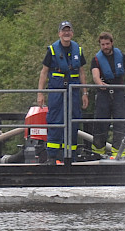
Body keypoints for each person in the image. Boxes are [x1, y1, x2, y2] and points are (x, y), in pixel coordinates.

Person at [36, 21, 89, 162]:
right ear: (59, 33)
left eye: (69, 30)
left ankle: (70, 155)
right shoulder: (52, 50)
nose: (66, 33)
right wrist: (40, 93)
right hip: (57, 91)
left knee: (74, 121)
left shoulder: (78, 50)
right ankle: (52, 156)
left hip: (74, 92)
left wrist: (85, 93)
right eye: (64, 31)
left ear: (72, 33)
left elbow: (82, 73)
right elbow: (43, 72)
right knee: (55, 120)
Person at [90, 31, 125, 155]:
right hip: (103, 94)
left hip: (118, 93)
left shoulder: (121, 56)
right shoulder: (96, 59)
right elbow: (95, 76)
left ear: (112, 43)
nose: (105, 47)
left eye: (107, 44)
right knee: (100, 124)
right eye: (102, 44)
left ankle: (119, 153)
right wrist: (100, 84)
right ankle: (97, 153)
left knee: (121, 123)